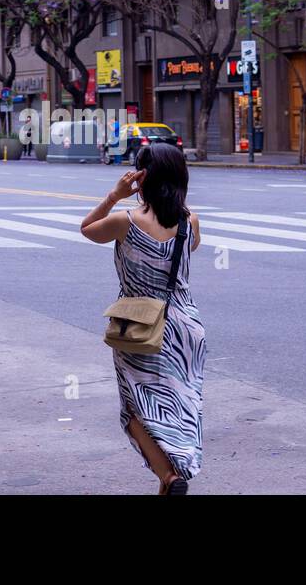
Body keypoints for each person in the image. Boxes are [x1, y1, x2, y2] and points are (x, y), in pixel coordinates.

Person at [79, 143, 204, 495]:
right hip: (186, 327)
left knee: (136, 410)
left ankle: (169, 476)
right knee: (180, 406)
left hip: (141, 325)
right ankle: (172, 478)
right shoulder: (189, 221)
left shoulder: (126, 221)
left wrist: (115, 195)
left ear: (142, 177)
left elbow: (87, 228)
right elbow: (189, 249)